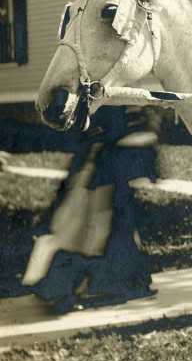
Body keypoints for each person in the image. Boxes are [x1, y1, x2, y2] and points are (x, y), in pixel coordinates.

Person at [22, 105, 159, 313]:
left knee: (109, 230)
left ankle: (126, 283)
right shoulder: (107, 109)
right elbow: (114, 135)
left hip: (101, 172)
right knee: (87, 235)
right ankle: (61, 289)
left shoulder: (110, 108)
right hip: (99, 174)